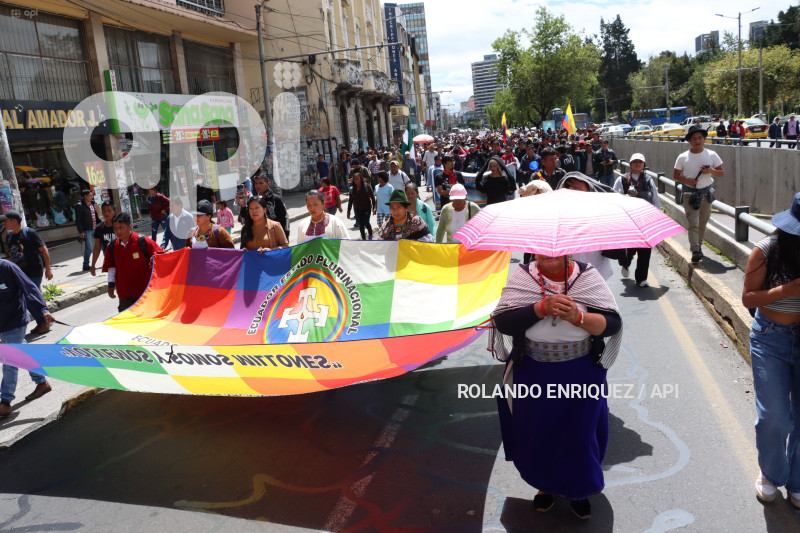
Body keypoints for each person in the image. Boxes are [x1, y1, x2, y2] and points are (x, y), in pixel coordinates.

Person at [488, 253, 622, 520]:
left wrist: (578, 317)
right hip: (533, 373)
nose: (548, 255)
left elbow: (613, 323)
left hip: (580, 372)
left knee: (579, 435)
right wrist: (540, 308)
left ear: (567, 251)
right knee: (540, 434)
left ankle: (579, 490)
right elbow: (503, 321)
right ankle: (545, 487)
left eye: (555, 251)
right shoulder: (525, 275)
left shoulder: (586, 276)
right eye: (541, 249)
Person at [741, 191, 800, 508]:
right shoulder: (766, 251)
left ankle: (798, 481)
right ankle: (771, 474)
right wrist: (788, 290)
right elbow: (748, 298)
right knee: (774, 418)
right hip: (771, 338)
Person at [0, 258, 55, 417]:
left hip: (15, 322)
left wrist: (43, 309)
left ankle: (5, 401)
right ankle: (42, 383)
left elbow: (29, 288)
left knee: (9, 360)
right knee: (23, 353)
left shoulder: (7, 267)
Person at [673, 125, 725, 263]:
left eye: (700, 138)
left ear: (704, 139)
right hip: (689, 194)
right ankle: (695, 249)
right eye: (694, 138)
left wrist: (711, 171)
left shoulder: (712, 154)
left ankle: (699, 246)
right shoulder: (682, 157)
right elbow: (676, 175)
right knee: (693, 224)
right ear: (690, 141)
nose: (697, 141)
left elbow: (722, 173)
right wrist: (687, 180)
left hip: (706, 194)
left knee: (702, 223)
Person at [1, 210, 53, 334]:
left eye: (6, 220)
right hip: (19, 273)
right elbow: (11, 255)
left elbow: (44, 250)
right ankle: (41, 321)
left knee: (32, 296)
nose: (4, 223)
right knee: (23, 298)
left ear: (14, 221)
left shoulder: (29, 233)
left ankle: (44, 321)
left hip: (33, 271)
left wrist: (48, 269)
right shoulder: (9, 236)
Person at [612, 153, 660, 287]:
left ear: (644, 165)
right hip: (628, 219)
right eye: (635, 162)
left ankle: (641, 278)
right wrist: (626, 197)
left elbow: (654, 197)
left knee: (645, 248)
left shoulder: (648, 180)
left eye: (640, 162)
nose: (638, 164)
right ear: (631, 164)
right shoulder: (622, 179)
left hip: (644, 218)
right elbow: (614, 197)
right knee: (631, 246)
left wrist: (658, 214)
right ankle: (625, 262)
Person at [102, 212, 163, 312]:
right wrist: (111, 286)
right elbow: (112, 268)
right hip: (125, 294)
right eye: (115, 228)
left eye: (121, 227)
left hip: (145, 292)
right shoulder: (112, 247)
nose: (117, 231)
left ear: (129, 227)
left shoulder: (143, 242)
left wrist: (156, 259)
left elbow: (162, 257)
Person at [75, 189, 100, 271]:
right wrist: (81, 231)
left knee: (102, 244)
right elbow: (78, 220)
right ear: (85, 196)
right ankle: (85, 265)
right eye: (90, 195)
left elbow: (96, 216)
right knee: (89, 248)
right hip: (87, 230)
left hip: (95, 227)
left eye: (92, 195)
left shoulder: (92, 204)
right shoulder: (80, 206)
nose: (92, 197)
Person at [90, 200, 117, 277]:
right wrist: (93, 264)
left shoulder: (120, 225)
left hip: (123, 259)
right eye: (104, 211)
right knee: (112, 284)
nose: (106, 213)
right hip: (109, 261)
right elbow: (97, 247)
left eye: (109, 210)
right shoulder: (99, 228)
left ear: (115, 211)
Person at [347, 172, 376, 240]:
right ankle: (363, 238)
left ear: (361, 179)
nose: (356, 180)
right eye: (354, 179)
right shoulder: (352, 189)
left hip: (367, 208)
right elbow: (350, 201)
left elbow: (372, 197)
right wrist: (348, 211)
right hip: (358, 209)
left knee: (366, 222)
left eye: (357, 179)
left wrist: (374, 208)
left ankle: (370, 234)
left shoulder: (366, 186)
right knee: (361, 225)